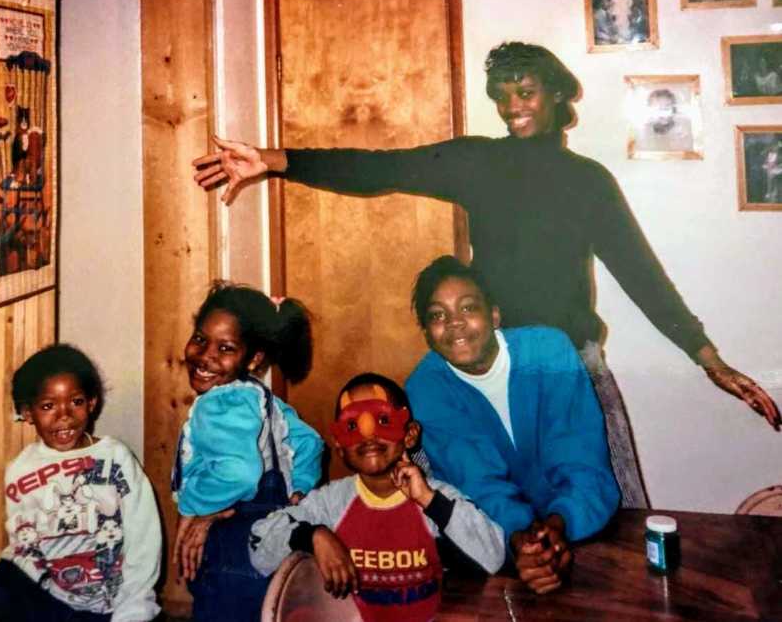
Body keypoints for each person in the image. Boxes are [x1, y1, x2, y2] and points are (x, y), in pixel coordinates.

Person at [191, 40, 781, 507]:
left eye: (526, 91)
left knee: (613, 503)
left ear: (556, 95)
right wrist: (275, 162)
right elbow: (379, 169)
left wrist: (709, 359)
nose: (513, 105)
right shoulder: (479, 162)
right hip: (483, 364)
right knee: (476, 508)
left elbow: (643, 277)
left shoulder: (588, 181)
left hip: (569, 363)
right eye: (502, 95)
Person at [405, 255, 620, 595]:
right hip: (501, 544)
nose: (454, 323)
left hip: (583, 523)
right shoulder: (425, 388)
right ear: (427, 334)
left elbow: (581, 459)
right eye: (437, 316)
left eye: (467, 308)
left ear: (494, 315)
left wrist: (558, 525)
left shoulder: (549, 351)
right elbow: (476, 483)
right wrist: (521, 541)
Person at [0, 344, 161, 622]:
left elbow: (144, 538)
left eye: (75, 401)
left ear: (92, 403)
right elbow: (23, 546)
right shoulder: (21, 469)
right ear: (28, 413)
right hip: (43, 593)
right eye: (48, 406)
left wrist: (133, 610)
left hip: (106, 602)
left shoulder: (115, 458)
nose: (64, 415)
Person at [249, 373, 505, 621]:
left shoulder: (436, 496)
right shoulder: (330, 502)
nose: (368, 433)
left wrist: (429, 500)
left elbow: (492, 558)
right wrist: (313, 535)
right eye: (352, 425)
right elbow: (258, 547)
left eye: (383, 420)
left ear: (410, 434)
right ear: (339, 446)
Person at [171, 281, 324, 621]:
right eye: (199, 338)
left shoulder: (218, 403)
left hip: (232, 554)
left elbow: (238, 474)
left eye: (225, 348)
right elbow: (309, 443)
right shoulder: (261, 397)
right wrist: (296, 491)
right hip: (274, 543)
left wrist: (192, 507)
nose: (205, 354)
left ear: (253, 358)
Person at [637, 88, 693, 153]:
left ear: (674, 110)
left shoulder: (681, 131)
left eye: (666, 109)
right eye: (658, 109)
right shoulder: (644, 132)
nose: (662, 114)